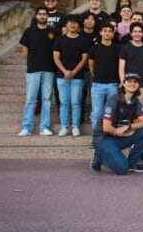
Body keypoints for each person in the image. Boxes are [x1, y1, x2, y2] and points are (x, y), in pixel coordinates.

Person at [90, 73, 143, 174]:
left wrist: (129, 126)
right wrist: (126, 133)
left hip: (118, 137)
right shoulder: (113, 99)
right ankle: (99, 156)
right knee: (122, 170)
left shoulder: (135, 101)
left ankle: (132, 163)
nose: (132, 84)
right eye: (129, 81)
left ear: (138, 85)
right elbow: (106, 128)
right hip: (104, 138)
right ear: (123, 83)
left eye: (135, 82)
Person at [18, 7, 56, 137]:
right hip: (33, 70)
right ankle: (26, 127)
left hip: (49, 70)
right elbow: (24, 49)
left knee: (46, 99)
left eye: (44, 14)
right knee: (30, 99)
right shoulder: (29, 31)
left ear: (47, 16)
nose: (42, 16)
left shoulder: (53, 32)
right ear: (36, 16)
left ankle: (44, 127)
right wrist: (31, 62)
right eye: (40, 14)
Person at [52, 15, 90, 137]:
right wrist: (65, 71)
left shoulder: (83, 40)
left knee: (76, 102)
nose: (72, 25)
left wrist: (73, 72)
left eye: (75, 23)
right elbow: (56, 57)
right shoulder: (59, 40)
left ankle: (75, 126)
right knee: (64, 102)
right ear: (66, 25)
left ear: (78, 25)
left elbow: (84, 59)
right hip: (61, 76)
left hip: (77, 76)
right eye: (70, 23)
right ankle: (64, 126)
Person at [88, 23, 120, 133]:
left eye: (109, 31)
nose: (107, 33)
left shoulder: (117, 48)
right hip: (97, 85)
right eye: (105, 30)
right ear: (101, 32)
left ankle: (110, 136)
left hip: (113, 85)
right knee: (96, 113)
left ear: (113, 33)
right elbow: (91, 64)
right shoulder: (94, 48)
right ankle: (96, 137)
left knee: (112, 112)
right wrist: (95, 75)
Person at [118, 22, 143, 107]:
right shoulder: (125, 48)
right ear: (131, 33)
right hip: (128, 84)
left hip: (142, 84)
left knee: (140, 110)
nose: (137, 34)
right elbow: (121, 68)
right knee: (126, 110)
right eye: (135, 31)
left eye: (140, 32)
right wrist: (123, 83)